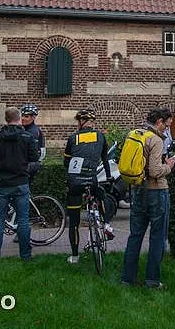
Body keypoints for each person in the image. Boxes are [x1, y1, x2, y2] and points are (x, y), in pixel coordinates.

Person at [121, 107, 175, 289]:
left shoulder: (135, 134)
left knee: (135, 235)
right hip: (156, 191)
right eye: (166, 125)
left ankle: (127, 278)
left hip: (137, 189)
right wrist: (169, 166)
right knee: (157, 236)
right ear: (159, 121)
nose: (166, 129)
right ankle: (152, 280)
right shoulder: (155, 139)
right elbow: (154, 171)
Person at [0, 107, 39, 261]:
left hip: (2, 183)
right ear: (19, 118)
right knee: (23, 220)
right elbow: (34, 158)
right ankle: (25, 255)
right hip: (21, 182)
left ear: (6, 118)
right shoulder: (27, 137)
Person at [64, 108, 114, 265]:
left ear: (81, 122)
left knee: (74, 222)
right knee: (101, 194)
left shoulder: (73, 138)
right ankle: (106, 225)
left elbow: (66, 163)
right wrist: (109, 177)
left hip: (75, 183)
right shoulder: (100, 137)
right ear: (92, 123)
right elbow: (105, 160)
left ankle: (74, 256)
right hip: (91, 180)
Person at [20, 104, 45, 182]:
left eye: (26, 116)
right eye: (22, 116)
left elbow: (31, 151)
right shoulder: (27, 129)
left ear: (33, 117)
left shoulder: (32, 132)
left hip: (29, 165)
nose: (23, 118)